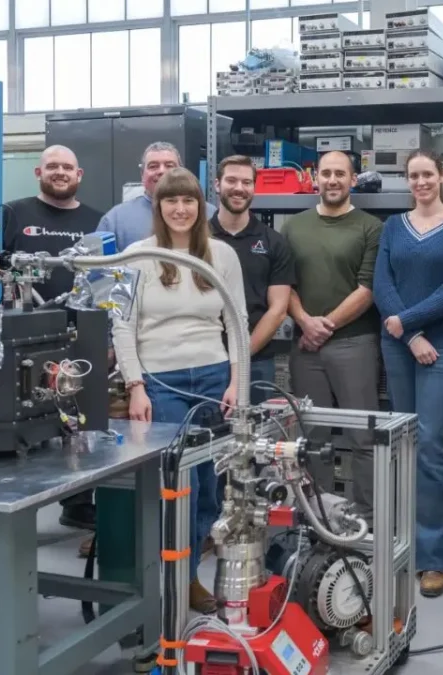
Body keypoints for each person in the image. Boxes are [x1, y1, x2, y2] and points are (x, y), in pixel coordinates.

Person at [110, 167, 247, 614]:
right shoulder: (137, 255)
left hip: (213, 378)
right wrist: (135, 386)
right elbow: (121, 324)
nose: (181, 209)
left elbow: (237, 321)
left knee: (208, 488)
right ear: (158, 206)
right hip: (160, 383)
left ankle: (186, 577)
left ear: (201, 207)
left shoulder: (221, 255)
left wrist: (237, 381)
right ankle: (168, 579)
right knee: (174, 488)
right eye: (171, 200)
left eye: (189, 200)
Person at [373, 150, 443, 598]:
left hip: (442, 347)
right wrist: (410, 333)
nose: (420, 182)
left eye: (427, 174)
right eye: (413, 176)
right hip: (400, 345)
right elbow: (382, 285)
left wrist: (410, 323)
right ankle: (403, 544)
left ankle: (434, 556)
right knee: (403, 443)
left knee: (430, 444)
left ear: (441, 176)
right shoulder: (393, 226)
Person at [0, 144, 104, 538]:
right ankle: (18, 504)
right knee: (25, 419)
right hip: (25, 339)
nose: (60, 172)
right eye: (52, 166)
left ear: (79, 175)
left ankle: (78, 502)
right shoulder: (13, 214)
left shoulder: (96, 219)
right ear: (38, 172)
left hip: (81, 336)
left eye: (67, 167)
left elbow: (104, 280)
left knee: (80, 421)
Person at [285, 150, 383, 517]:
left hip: (354, 344)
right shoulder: (293, 227)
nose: (332, 180)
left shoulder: (370, 227)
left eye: (340, 173)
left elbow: (367, 289)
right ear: (315, 179)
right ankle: (320, 521)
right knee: (313, 438)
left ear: (353, 179)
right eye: (326, 173)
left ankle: (366, 520)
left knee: (364, 436)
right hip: (305, 348)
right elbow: (284, 284)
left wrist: (322, 327)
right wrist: (305, 322)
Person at [208, 155, 295, 403]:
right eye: (231, 180)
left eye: (246, 182)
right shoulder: (199, 239)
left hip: (256, 360)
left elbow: (278, 310)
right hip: (205, 361)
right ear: (217, 184)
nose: (239, 188)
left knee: (256, 425)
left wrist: (241, 355)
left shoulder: (274, 242)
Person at [96, 141, 217, 251]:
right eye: (153, 166)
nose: (161, 171)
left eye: (169, 166)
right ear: (142, 174)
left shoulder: (209, 214)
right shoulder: (115, 220)